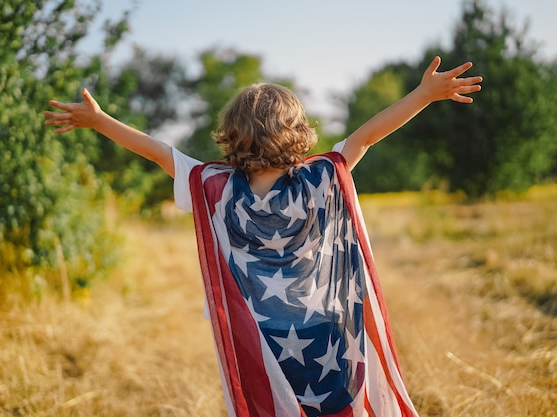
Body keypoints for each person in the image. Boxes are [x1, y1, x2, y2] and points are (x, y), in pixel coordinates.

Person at [45, 56, 482, 417]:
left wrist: (100, 121)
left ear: (232, 135)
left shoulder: (214, 188)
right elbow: (367, 136)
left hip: (259, 338)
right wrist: (424, 94)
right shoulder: (321, 177)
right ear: (297, 132)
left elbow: (158, 151)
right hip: (324, 334)